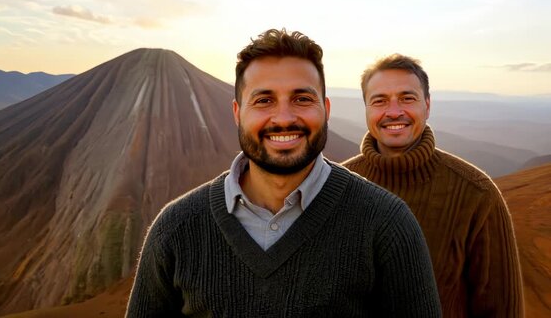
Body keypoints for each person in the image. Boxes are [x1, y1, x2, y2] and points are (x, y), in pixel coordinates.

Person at [126, 29, 441, 317]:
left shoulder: (386, 224)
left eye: (302, 99)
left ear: (326, 110)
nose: (284, 117)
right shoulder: (176, 230)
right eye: (264, 100)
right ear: (238, 113)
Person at [342, 54, 524, 317]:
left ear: (427, 106)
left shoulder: (476, 194)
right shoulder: (337, 188)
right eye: (380, 101)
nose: (394, 111)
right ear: (367, 110)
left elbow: (503, 310)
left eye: (407, 98)